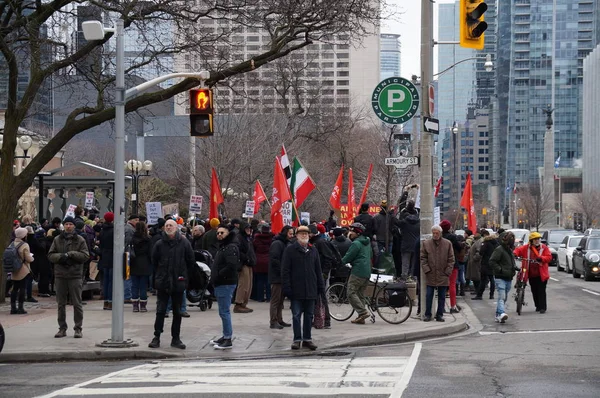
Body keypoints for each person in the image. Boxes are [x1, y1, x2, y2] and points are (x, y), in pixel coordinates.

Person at [148, 220, 195, 349]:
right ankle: (156, 336)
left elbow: (191, 260)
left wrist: (184, 277)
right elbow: (154, 261)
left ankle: (176, 338)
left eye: (171, 225)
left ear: (176, 228)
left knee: (177, 311)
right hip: (163, 282)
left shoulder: (184, 243)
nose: (169, 227)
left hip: (178, 282)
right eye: (167, 225)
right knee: (160, 310)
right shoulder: (159, 244)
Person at [281, 225, 324, 350]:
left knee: (309, 315)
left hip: (311, 288)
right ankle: (297, 339)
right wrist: (287, 288)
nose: (304, 235)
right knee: (296, 315)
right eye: (301, 234)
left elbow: (318, 270)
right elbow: (285, 271)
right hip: (296, 289)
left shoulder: (313, 250)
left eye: (306, 234)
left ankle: (307, 338)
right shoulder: (290, 250)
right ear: (297, 236)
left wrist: (320, 287)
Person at [47, 216, 90, 338]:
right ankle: (62, 328)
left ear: (74, 226)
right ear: (63, 226)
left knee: (77, 303)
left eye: (71, 224)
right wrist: (61, 257)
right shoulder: (57, 239)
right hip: (60, 274)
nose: (68, 226)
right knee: (61, 304)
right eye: (66, 224)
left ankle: (78, 328)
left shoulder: (80, 239)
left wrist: (71, 254)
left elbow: (85, 255)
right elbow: (50, 255)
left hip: (75, 274)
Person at [209, 224, 241, 350]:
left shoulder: (230, 247)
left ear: (228, 233)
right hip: (222, 282)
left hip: (225, 283)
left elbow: (231, 266)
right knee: (223, 311)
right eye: (218, 233)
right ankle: (225, 335)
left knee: (224, 312)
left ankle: (227, 338)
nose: (219, 235)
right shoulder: (225, 246)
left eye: (222, 232)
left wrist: (217, 275)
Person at [420, 225, 455, 322]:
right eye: (434, 233)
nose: (435, 235)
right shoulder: (426, 243)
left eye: (437, 233)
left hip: (443, 274)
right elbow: (423, 258)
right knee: (429, 296)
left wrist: (448, 271)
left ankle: (439, 314)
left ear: (440, 233)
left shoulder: (447, 244)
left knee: (442, 297)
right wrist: (427, 269)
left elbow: (451, 259)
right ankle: (428, 314)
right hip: (431, 273)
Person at [341, 223, 372, 325]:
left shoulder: (356, 244)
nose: (350, 233)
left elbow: (348, 257)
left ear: (358, 233)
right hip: (367, 271)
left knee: (351, 292)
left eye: (352, 231)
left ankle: (363, 312)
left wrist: (340, 263)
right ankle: (361, 318)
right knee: (360, 294)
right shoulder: (367, 242)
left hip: (358, 271)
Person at [513, 231, 552, 314]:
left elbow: (549, 257)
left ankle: (543, 307)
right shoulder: (526, 248)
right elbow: (517, 250)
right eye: (535, 239)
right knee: (534, 290)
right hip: (531, 273)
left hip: (541, 274)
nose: (537, 241)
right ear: (531, 241)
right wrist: (515, 254)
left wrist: (541, 258)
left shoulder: (543, 248)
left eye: (538, 239)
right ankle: (537, 306)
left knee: (541, 290)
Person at [268, 225, 294, 329]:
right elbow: (275, 260)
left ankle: (279, 319)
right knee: (275, 300)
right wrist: (282, 271)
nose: (291, 236)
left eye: (292, 234)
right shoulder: (277, 244)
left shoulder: (285, 243)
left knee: (281, 300)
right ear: (285, 233)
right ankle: (273, 320)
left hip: (282, 276)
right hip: (277, 277)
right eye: (290, 233)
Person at [490, 232, 517, 323]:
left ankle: (498, 315)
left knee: (503, 297)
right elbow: (492, 261)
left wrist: (515, 268)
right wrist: (500, 270)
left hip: (508, 276)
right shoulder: (500, 249)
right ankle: (501, 313)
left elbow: (510, 262)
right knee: (502, 296)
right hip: (500, 276)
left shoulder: (509, 250)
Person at [8, 227, 34, 314]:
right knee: (22, 288)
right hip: (23, 269)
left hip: (14, 269)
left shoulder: (12, 243)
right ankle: (20, 308)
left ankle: (13, 308)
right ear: (23, 235)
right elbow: (28, 258)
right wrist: (32, 258)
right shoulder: (24, 245)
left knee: (14, 289)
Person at [234, 222, 256, 313]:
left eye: (250, 229)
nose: (249, 230)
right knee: (243, 285)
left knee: (249, 285)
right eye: (247, 228)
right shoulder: (239, 238)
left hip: (249, 264)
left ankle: (244, 304)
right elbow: (238, 251)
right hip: (243, 264)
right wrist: (246, 259)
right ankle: (238, 303)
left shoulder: (248, 238)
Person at [130, 221, 152, 312]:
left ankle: (135, 305)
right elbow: (150, 253)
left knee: (134, 285)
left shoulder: (132, 239)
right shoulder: (148, 239)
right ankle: (143, 305)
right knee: (143, 286)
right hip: (145, 263)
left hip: (134, 263)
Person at [473, 230, 499, 300]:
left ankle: (479, 295)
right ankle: (491, 295)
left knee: (483, 279)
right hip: (493, 262)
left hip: (485, 262)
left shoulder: (485, 243)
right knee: (492, 279)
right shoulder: (496, 243)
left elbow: (481, 252)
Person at [97, 212, 115, 310]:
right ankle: (110, 301)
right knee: (111, 281)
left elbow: (101, 245)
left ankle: (106, 301)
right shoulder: (114, 231)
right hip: (112, 257)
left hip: (104, 257)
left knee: (106, 280)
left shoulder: (102, 231)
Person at [252, 223, 273, 302]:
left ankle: (260, 297)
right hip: (268, 261)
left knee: (259, 280)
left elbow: (253, 249)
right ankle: (269, 297)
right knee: (268, 281)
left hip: (259, 261)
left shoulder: (256, 239)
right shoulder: (272, 238)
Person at [398, 213, 420, 280]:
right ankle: (412, 276)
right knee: (414, 263)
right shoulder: (419, 224)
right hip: (416, 246)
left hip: (406, 245)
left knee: (405, 263)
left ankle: (404, 276)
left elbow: (396, 222)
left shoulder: (404, 223)